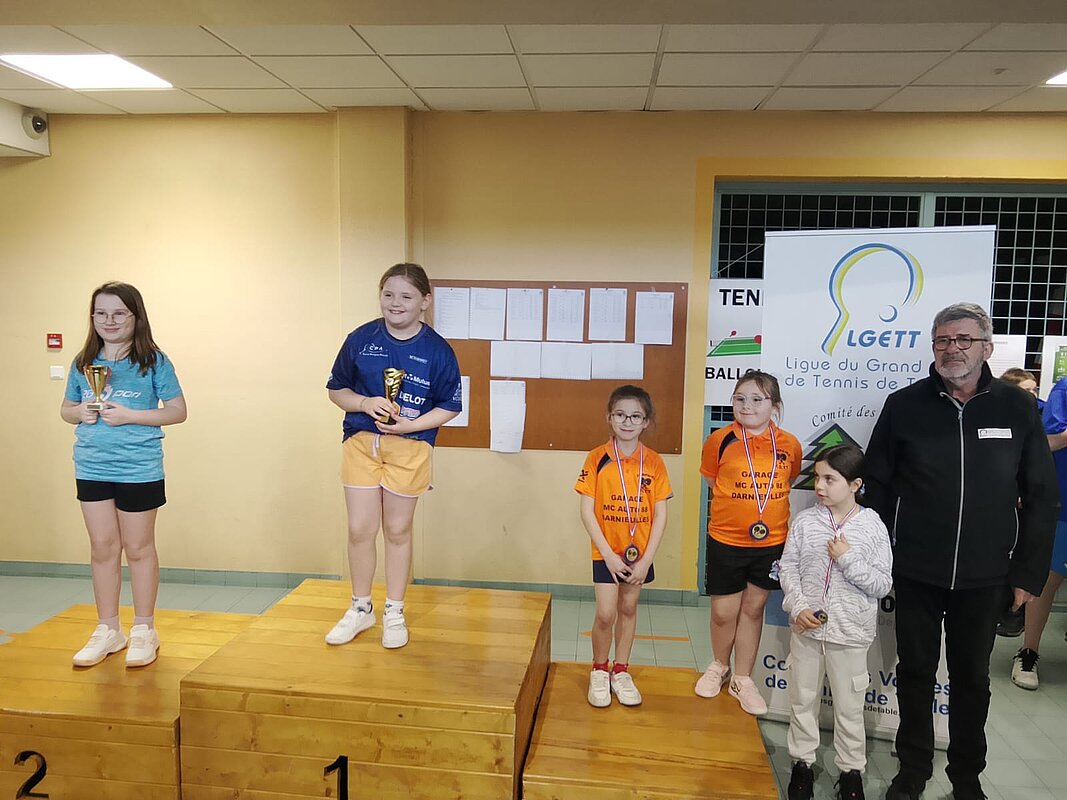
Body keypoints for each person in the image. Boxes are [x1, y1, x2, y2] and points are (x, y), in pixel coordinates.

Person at [865, 303, 1057, 800]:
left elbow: (1041, 494)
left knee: (972, 679)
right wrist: (879, 559)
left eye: (964, 339)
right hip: (915, 571)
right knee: (914, 673)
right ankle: (912, 770)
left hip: (987, 575)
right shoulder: (903, 405)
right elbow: (877, 488)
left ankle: (966, 777)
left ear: (986, 347)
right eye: (943, 340)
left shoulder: (1017, 408)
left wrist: (1027, 574)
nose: (953, 348)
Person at [324, 263, 461, 649]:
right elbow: (336, 390)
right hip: (361, 442)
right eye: (388, 294)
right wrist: (365, 403)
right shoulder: (360, 339)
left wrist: (409, 426)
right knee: (359, 529)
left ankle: (395, 611)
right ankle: (361, 608)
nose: (395, 303)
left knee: (398, 530)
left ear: (425, 302)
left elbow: (450, 406)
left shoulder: (438, 350)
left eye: (406, 296)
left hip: (411, 447)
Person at [61, 281, 187, 668]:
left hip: (139, 467)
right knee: (102, 547)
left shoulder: (153, 361)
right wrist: (79, 412)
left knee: (138, 548)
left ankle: (144, 629)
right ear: (92, 317)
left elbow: (177, 411)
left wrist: (131, 415)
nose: (109, 320)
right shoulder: (84, 361)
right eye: (101, 313)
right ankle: (108, 629)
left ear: (136, 317)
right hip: (92, 464)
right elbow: (66, 408)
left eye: (119, 313)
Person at [779, 445, 893, 800]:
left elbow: (882, 583)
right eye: (817, 478)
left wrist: (847, 559)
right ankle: (802, 763)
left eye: (830, 479)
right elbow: (788, 568)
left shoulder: (872, 526)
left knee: (849, 708)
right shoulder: (805, 522)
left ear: (855, 484)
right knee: (803, 700)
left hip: (850, 635)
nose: (820, 486)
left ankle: (851, 771)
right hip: (807, 631)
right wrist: (798, 606)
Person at [695, 370, 803, 715]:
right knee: (723, 612)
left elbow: (790, 479)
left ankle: (742, 677)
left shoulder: (789, 444)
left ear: (775, 406)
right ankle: (719, 666)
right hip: (726, 539)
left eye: (757, 399)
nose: (747, 406)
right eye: (739, 398)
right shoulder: (719, 440)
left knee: (753, 609)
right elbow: (713, 481)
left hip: (770, 542)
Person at [575, 385, 673, 708]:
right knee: (606, 613)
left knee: (628, 608)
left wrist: (646, 560)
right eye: (620, 415)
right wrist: (607, 554)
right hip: (606, 552)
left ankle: (620, 670)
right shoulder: (597, 458)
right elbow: (586, 510)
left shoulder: (654, 463)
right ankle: (599, 669)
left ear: (646, 421)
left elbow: (661, 514)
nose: (627, 422)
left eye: (635, 416)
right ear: (609, 417)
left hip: (639, 554)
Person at [1010, 374, 1067, 689]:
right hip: (1064, 505)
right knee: (1046, 582)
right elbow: (1049, 440)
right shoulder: (1065, 389)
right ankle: (1028, 652)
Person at [995, 367, 1041, 639]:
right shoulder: (1000, 421)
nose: (1032, 396)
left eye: (1034, 390)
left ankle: (1016, 611)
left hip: (1030, 506)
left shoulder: (1039, 418)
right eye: (1026, 391)